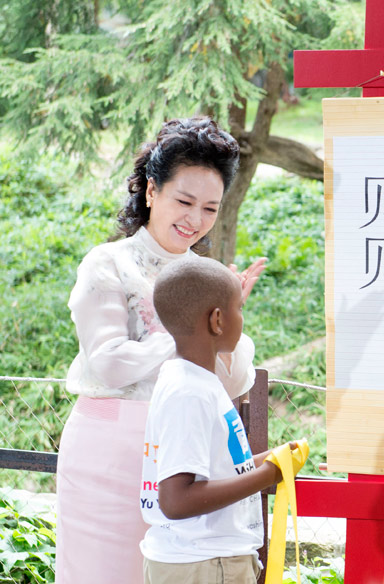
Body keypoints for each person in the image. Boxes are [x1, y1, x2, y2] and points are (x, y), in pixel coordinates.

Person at [56, 117, 267, 584]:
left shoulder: (207, 276)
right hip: (107, 456)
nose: (195, 220)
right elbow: (108, 364)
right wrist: (189, 328)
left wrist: (227, 324)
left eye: (210, 208)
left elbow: (227, 383)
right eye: (184, 201)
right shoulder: (108, 263)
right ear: (151, 191)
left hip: (188, 458)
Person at [141, 257, 306, 584]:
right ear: (217, 320)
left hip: (207, 561)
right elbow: (176, 499)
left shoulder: (198, 382)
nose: (241, 318)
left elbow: (216, 469)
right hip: (203, 565)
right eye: (239, 309)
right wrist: (267, 476)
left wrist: (271, 460)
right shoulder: (189, 392)